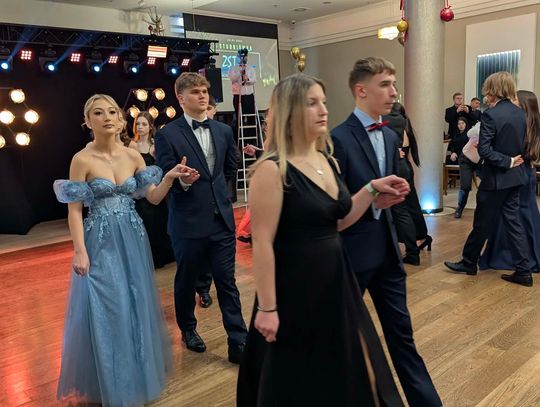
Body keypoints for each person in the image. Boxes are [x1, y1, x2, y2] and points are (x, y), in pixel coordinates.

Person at [237, 73, 408, 407]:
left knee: (347, 369)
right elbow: (263, 243)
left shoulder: (326, 160)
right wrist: (268, 308)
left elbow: (338, 220)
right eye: (312, 103)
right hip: (293, 287)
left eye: (324, 102)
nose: (323, 110)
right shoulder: (272, 170)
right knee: (299, 379)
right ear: (290, 112)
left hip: (335, 280)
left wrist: (371, 192)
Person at [54, 94, 192, 405]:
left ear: (120, 118)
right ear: (88, 121)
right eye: (98, 113)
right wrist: (79, 250)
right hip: (100, 240)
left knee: (135, 302)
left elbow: (152, 197)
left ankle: (134, 377)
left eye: (112, 111)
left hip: (132, 237)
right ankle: (110, 382)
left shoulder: (133, 156)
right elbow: (74, 210)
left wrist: (170, 178)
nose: (107, 117)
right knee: (108, 305)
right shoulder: (82, 159)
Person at [331, 57, 442, 406]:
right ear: (361, 90)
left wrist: (397, 193)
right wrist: (372, 199)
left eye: (393, 84)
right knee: (344, 342)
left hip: (389, 254)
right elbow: (337, 205)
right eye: (385, 84)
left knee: (403, 338)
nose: (394, 92)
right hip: (352, 256)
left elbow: (388, 186)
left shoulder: (392, 134)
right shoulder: (337, 139)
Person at [155, 72, 248, 363]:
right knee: (186, 279)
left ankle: (238, 340)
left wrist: (218, 194)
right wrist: (183, 181)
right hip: (187, 222)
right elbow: (166, 175)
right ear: (181, 98)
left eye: (205, 91)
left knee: (227, 281)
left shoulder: (223, 131)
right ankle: (188, 329)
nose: (203, 96)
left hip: (221, 220)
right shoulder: (167, 134)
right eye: (195, 92)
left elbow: (229, 169)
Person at [445, 72, 534, 287]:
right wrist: (513, 161)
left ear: (493, 89)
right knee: (513, 224)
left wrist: (507, 161)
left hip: (496, 179)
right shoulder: (520, 114)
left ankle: (469, 263)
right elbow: (524, 145)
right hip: (516, 178)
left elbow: (484, 150)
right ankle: (524, 271)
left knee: (482, 223)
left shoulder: (491, 115)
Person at [479, 89, 540, 273]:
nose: (510, 102)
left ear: (522, 105)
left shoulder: (520, 124)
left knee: (512, 216)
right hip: (526, 172)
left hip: (516, 171)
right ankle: (528, 257)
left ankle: (511, 258)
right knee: (524, 214)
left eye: (514, 99)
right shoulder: (532, 124)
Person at [384, 102, 432, 265]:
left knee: (400, 211)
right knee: (413, 206)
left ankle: (412, 252)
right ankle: (423, 237)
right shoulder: (406, 125)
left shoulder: (390, 123)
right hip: (406, 168)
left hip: (397, 168)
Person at [133, 111, 175, 268]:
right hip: (138, 193)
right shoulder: (132, 146)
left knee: (159, 223)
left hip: (155, 190)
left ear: (150, 127)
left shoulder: (155, 146)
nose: (140, 127)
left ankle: (162, 256)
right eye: (138, 124)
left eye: (144, 124)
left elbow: (162, 168)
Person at [194, 94, 218, 308]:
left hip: (219, 207)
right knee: (199, 253)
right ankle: (202, 288)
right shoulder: (178, 134)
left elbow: (229, 166)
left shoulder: (222, 132)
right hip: (194, 206)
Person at [448, 117, 481, 218]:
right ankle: (460, 208)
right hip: (466, 159)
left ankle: (482, 211)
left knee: (485, 185)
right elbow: (470, 133)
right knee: (465, 186)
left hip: (480, 161)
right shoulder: (478, 127)